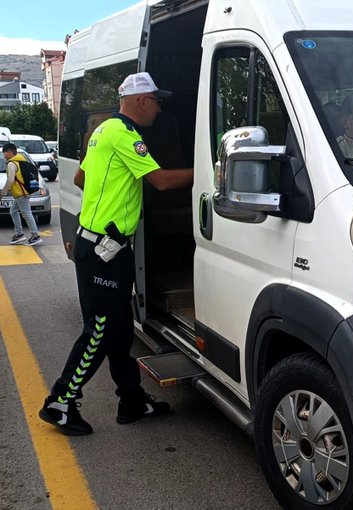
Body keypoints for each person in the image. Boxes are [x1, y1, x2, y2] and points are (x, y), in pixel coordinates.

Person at [39, 72, 194, 436]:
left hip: (100, 246)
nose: (159, 108)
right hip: (103, 252)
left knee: (120, 331)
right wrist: (211, 172)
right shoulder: (125, 136)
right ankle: (60, 401)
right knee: (100, 331)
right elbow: (162, 180)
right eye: (157, 101)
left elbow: (80, 179)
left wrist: (111, 192)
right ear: (141, 100)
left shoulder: (103, 131)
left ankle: (132, 400)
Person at [0, 143, 43, 246]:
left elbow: (10, 180)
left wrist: (3, 192)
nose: (4, 156)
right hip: (22, 192)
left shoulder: (11, 164)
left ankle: (35, 235)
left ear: (9, 152)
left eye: (4, 153)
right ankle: (19, 234)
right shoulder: (21, 161)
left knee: (26, 213)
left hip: (21, 193)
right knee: (13, 211)